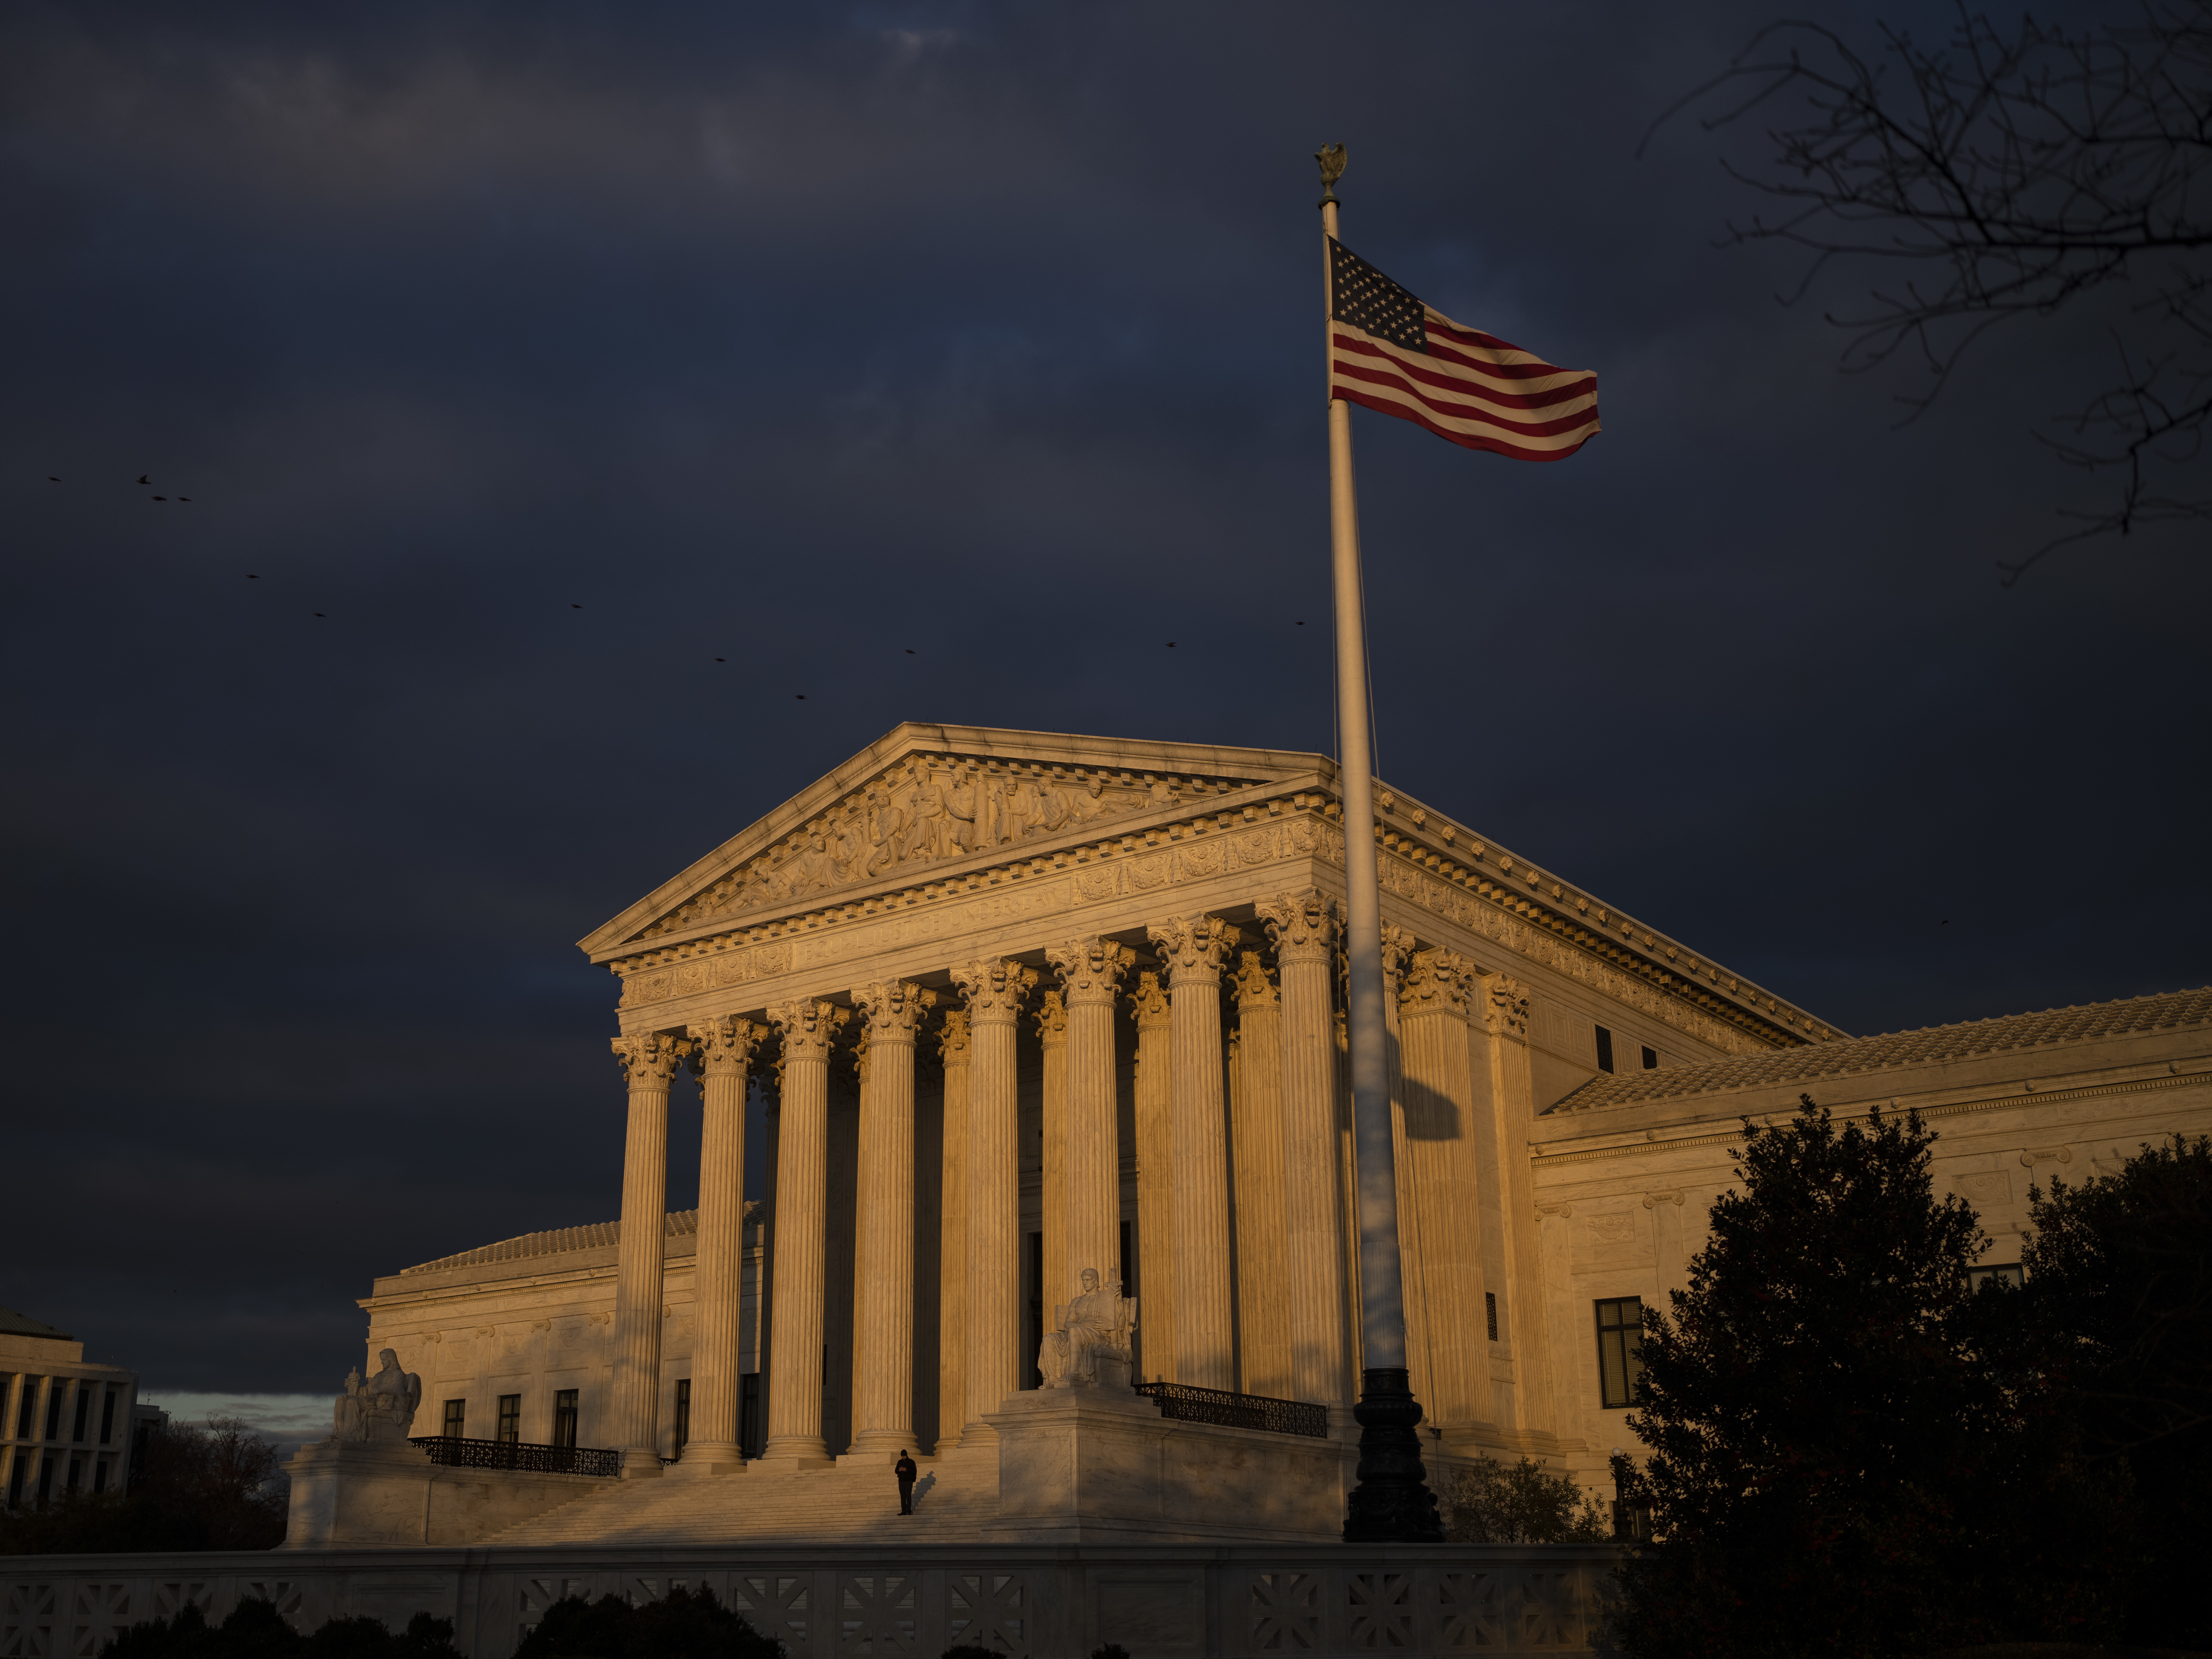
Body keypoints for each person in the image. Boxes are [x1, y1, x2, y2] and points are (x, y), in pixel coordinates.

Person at [895, 1448, 918, 1515]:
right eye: (902, 1456)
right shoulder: (900, 1462)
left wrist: (907, 1470)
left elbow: (914, 1471)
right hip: (901, 1481)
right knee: (903, 1497)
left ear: (907, 1455)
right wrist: (899, 1470)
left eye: (904, 1456)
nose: (903, 1457)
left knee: (908, 1496)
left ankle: (909, 1510)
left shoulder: (911, 1462)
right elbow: (896, 1471)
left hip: (909, 1481)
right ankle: (904, 1511)